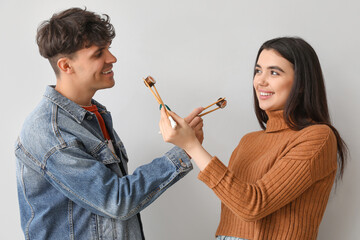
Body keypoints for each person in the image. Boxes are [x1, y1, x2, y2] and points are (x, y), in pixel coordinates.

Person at [15, 7, 204, 240]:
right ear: (66, 66)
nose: (112, 59)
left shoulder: (95, 115)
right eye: (98, 53)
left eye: (108, 49)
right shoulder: (50, 132)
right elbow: (117, 200)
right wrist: (184, 151)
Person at [160, 37, 348, 240]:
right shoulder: (248, 141)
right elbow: (235, 205)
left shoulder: (317, 137)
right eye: (258, 71)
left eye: (274, 72)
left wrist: (192, 146)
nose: (260, 81)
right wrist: (190, 145)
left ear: (301, 84)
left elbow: (253, 206)